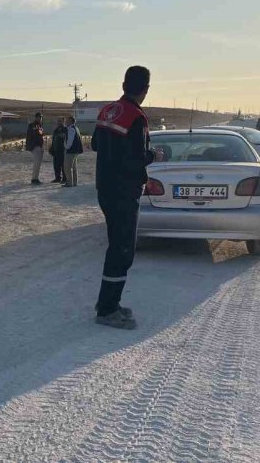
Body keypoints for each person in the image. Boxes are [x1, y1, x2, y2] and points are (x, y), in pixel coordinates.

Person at [91, 66, 157, 329]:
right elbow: (137, 159)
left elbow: (96, 144)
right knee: (122, 251)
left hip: (105, 189)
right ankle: (107, 310)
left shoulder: (108, 111)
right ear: (146, 90)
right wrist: (154, 156)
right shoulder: (136, 117)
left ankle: (108, 303)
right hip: (124, 191)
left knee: (116, 246)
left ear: (123, 84)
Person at [25, 111, 45, 185]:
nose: (40, 118)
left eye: (41, 117)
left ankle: (36, 178)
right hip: (35, 146)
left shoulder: (40, 126)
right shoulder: (32, 125)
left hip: (39, 146)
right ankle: (34, 179)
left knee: (38, 164)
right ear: (36, 117)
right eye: (39, 117)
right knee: (36, 163)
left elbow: (41, 136)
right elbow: (34, 135)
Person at [63, 116, 84, 187]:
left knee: (67, 167)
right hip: (75, 151)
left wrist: (66, 147)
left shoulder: (71, 129)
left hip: (71, 151)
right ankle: (74, 182)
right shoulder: (76, 128)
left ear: (71, 121)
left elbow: (70, 142)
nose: (66, 122)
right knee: (74, 167)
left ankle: (69, 182)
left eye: (67, 121)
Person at [50, 117, 68, 184]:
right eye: (58, 121)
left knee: (63, 165)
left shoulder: (66, 129)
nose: (59, 122)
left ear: (64, 122)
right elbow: (53, 140)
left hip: (62, 150)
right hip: (56, 150)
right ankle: (57, 178)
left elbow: (65, 137)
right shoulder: (56, 130)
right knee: (56, 165)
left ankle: (65, 178)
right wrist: (52, 148)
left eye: (61, 121)